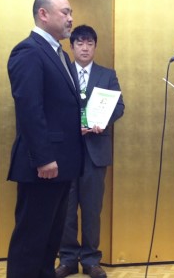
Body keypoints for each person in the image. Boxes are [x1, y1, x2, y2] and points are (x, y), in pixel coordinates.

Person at [5, 0, 84, 278]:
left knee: (49, 243)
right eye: (65, 12)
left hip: (61, 166)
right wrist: (44, 158)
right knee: (31, 241)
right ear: (43, 14)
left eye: (70, 12)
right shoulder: (28, 51)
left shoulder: (59, 54)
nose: (70, 19)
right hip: (43, 166)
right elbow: (29, 108)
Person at [56, 25, 125, 278]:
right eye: (80, 44)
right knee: (66, 207)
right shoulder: (62, 73)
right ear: (71, 47)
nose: (85, 48)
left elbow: (119, 106)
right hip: (67, 151)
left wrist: (103, 120)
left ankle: (91, 260)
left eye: (90, 44)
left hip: (96, 150)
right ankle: (67, 259)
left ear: (95, 47)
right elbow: (55, 107)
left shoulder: (108, 74)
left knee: (92, 208)